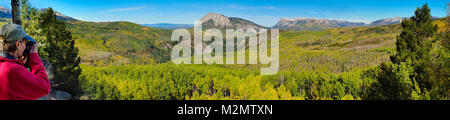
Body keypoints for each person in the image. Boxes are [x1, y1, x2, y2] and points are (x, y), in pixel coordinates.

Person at [0, 24, 49, 100]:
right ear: (18, 44)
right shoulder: (12, 70)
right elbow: (45, 87)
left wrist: (19, 63)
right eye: (24, 42)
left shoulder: (4, 64)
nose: (26, 46)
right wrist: (34, 57)